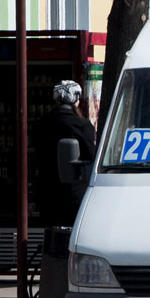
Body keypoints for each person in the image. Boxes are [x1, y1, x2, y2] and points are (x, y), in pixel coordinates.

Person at [34, 80, 96, 228]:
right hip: (74, 192)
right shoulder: (83, 125)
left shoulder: (42, 124)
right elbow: (91, 156)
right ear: (76, 100)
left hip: (47, 191)